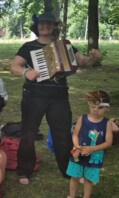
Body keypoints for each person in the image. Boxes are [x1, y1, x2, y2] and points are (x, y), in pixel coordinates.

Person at [10, 12, 101, 185]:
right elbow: (14, 66)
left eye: (49, 23)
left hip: (58, 97)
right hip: (33, 96)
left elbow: (82, 62)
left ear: (54, 27)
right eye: (41, 23)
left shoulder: (65, 46)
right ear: (37, 27)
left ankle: (68, 170)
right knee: (28, 134)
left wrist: (93, 59)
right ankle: (24, 171)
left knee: (63, 135)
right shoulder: (28, 47)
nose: (44, 26)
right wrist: (25, 72)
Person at [66, 90, 113, 198]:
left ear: (107, 108)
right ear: (89, 105)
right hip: (77, 154)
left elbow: (109, 142)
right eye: (93, 107)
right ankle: (72, 196)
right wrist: (77, 147)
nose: (95, 110)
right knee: (74, 177)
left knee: (88, 179)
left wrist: (93, 149)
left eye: (100, 107)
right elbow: (75, 135)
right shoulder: (82, 119)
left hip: (95, 156)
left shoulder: (107, 123)